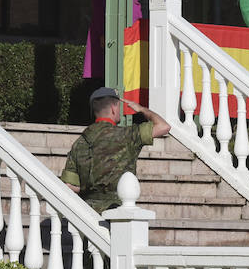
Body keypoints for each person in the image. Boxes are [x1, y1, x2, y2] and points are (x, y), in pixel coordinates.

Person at [60, 85, 171, 213]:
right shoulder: (127, 135)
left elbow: (69, 185)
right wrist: (141, 109)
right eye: (118, 107)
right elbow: (164, 126)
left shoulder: (80, 142)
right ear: (113, 108)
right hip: (118, 212)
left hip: (88, 215)